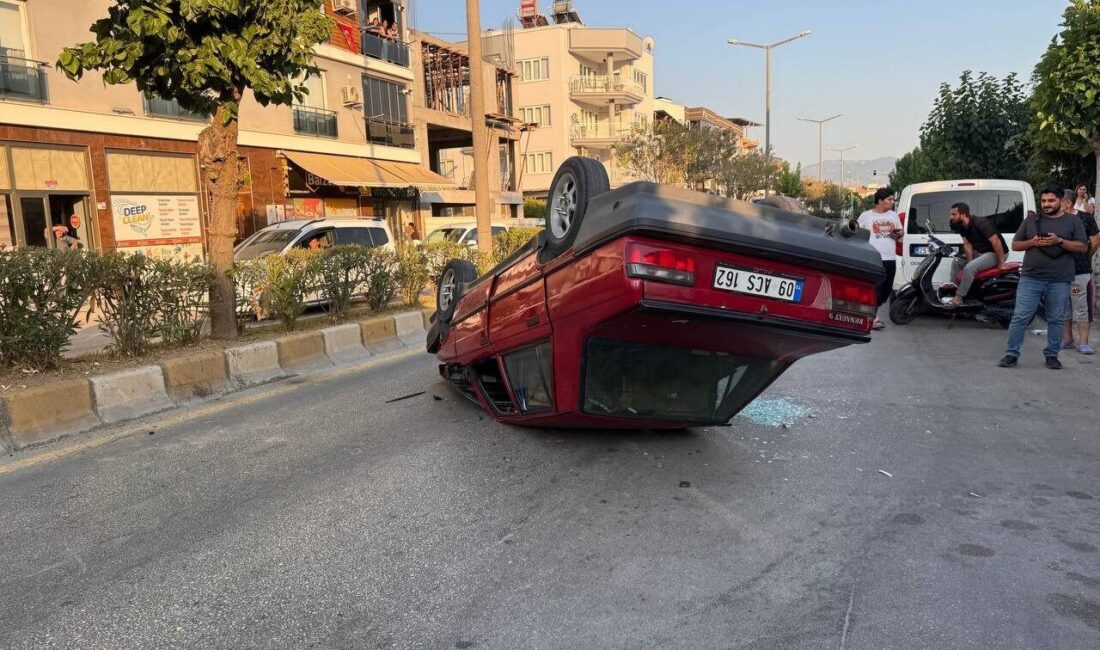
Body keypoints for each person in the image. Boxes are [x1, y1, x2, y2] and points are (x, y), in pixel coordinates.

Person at [999, 186, 1088, 369]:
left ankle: (1052, 355)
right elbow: (1015, 245)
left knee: (1056, 318)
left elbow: (1082, 247)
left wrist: (1059, 241)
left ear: (1061, 201)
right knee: (1021, 316)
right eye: (1044, 201)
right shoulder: (1032, 220)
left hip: (1060, 278)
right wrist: (1032, 242)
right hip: (1031, 277)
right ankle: (1011, 354)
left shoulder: (1073, 221)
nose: (1046, 204)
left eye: (1051, 201)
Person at [1060, 189, 1100, 354]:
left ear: (1067, 203)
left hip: (1080, 272)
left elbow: (1096, 240)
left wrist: (1084, 255)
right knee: (1064, 306)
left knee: (1082, 306)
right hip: (1060, 271)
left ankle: (1084, 342)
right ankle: (1067, 339)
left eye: (1058, 201)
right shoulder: (1057, 220)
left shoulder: (1085, 218)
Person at [857, 187, 902, 330]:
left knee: (886, 289)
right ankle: (873, 317)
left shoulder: (894, 215)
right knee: (874, 287)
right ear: (880, 201)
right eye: (889, 199)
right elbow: (857, 233)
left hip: (890, 257)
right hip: (873, 257)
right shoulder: (866, 216)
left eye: (892, 199)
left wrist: (898, 234)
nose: (892, 202)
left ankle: (871, 313)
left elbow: (900, 236)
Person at [946, 202, 1008, 307]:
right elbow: (967, 244)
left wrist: (1001, 262)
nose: (951, 217)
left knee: (970, 268)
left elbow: (996, 242)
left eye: (954, 214)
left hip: (996, 253)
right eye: (951, 214)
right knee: (957, 262)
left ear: (964, 214)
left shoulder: (981, 223)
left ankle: (958, 298)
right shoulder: (961, 225)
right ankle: (955, 289)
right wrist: (970, 262)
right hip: (981, 253)